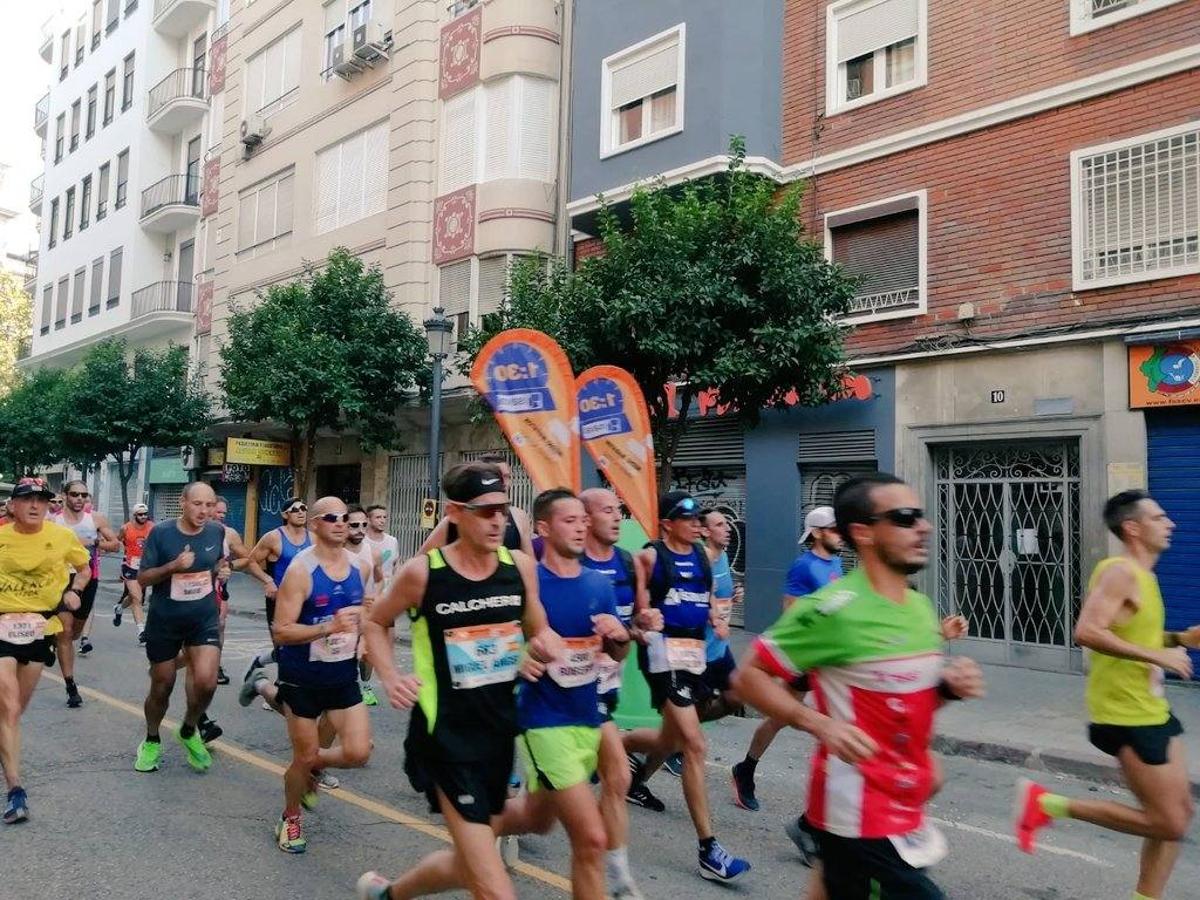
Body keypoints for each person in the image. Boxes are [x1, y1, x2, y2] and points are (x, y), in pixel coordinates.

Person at [734, 474, 985, 900]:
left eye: (920, 516)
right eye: (905, 518)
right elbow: (747, 677)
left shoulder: (920, 608)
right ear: (863, 533)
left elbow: (902, 703)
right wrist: (817, 723)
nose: (923, 527)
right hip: (856, 809)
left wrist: (946, 690)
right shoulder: (833, 609)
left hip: (905, 802)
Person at [356, 462, 562, 900]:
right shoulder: (423, 573)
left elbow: (537, 628)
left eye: (503, 511)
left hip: (499, 732)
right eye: (485, 512)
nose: (497, 521)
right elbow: (375, 623)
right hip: (444, 737)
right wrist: (391, 678)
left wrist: (545, 646)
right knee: (494, 888)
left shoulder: (520, 567)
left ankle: (389, 894)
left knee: (469, 865)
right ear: (455, 512)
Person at [1015, 489, 1197, 900]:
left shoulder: (1145, 577)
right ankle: (1045, 804)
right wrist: (1158, 654)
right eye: (1159, 517)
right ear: (1133, 528)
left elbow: (1130, 633)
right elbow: (1088, 631)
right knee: (1168, 823)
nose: (1171, 524)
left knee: (1179, 814)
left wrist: (1180, 638)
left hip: (1150, 707)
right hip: (1123, 714)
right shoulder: (1121, 572)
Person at [491, 489, 631, 897]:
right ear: (543, 528)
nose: (581, 526)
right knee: (591, 839)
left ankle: (476, 827)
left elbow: (616, 650)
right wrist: (519, 657)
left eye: (583, 520)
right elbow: (494, 641)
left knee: (538, 819)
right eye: (570, 520)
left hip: (588, 717)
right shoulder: (528, 584)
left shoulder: (597, 584)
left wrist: (621, 637)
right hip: (543, 721)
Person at [620, 491, 751, 883]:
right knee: (694, 744)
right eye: (689, 518)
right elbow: (635, 608)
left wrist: (717, 617)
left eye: (699, 519)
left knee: (674, 736)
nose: (697, 525)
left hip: (695, 654)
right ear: (666, 524)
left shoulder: (701, 557)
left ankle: (617, 745)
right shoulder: (650, 556)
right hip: (662, 657)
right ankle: (709, 850)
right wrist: (643, 618)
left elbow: (706, 598)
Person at [270, 496, 373, 853]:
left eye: (346, 517)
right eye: (332, 517)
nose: (342, 523)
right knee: (303, 756)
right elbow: (281, 630)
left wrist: (364, 638)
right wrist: (328, 628)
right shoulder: (301, 570)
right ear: (314, 524)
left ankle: (312, 767)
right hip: (303, 677)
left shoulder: (361, 566)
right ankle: (291, 817)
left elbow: (365, 612)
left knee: (359, 752)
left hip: (342, 675)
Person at [734, 506, 843, 814]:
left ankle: (831, 807)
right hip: (807, 656)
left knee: (839, 723)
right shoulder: (803, 567)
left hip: (831, 658)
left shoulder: (836, 562)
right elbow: (791, 613)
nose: (841, 535)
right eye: (835, 529)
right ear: (819, 533)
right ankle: (746, 769)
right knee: (780, 718)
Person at [577, 488, 654, 899]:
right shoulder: (568, 565)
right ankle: (621, 879)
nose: (617, 517)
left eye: (619, 510)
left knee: (544, 806)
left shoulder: (627, 563)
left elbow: (635, 628)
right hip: (571, 689)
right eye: (607, 510)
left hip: (609, 685)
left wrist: (644, 623)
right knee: (619, 774)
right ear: (585, 519)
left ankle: (500, 825)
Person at [0, 477, 91, 823]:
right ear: (13, 506)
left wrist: (76, 590)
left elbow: (84, 567)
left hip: (40, 628)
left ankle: (6, 746)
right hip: (1, 625)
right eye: (27, 500)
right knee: (8, 707)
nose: (35, 506)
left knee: (14, 712)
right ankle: (15, 791)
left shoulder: (62, 537)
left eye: (41, 499)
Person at [133, 482, 230, 774]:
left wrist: (222, 570)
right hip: (165, 620)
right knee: (162, 685)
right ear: (184, 503)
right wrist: (173, 566)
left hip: (202, 618)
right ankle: (151, 739)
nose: (204, 511)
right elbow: (143, 578)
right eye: (198, 504)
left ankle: (189, 729)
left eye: (209, 505)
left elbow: (218, 562)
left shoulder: (216, 531)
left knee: (207, 682)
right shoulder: (161, 533)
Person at [51, 479, 118, 707]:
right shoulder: (52, 520)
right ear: (65, 495)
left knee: (76, 632)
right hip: (59, 579)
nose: (80, 499)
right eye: (75, 494)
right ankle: (71, 687)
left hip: (89, 577)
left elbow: (115, 544)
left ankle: (53, 638)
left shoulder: (95, 519)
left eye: (83, 495)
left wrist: (94, 542)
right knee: (66, 632)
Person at [243, 499, 313, 675]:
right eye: (295, 509)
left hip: (307, 599)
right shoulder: (273, 537)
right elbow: (249, 562)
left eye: (303, 508)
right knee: (283, 645)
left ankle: (261, 661)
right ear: (285, 514)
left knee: (306, 645)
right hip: (280, 600)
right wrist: (268, 580)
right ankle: (280, 688)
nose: (300, 512)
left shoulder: (314, 537)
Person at [418, 452, 534, 557]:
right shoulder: (456, 518)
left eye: (507, 476)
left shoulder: (519, 517)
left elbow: (530, 563)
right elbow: (420, 560)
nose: (504, 482)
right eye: (498, 476)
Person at [345, 506, 384, 705]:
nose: (360, 529)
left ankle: (366, 685)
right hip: (342, 613)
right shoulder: (336, 551)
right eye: (354, 525)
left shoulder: (373, 552)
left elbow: (379, 579)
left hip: (367, 613)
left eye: (363, 525)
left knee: (367, 653)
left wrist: (375, 595)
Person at [212, 496, 252, 685]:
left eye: (223, 513)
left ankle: (215, 665)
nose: (221, 516)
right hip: (192, 589)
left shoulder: (229, 534)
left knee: (220, 624)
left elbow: (247, 558)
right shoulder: (192, 530)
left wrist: (229, 565)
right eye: (218, 511)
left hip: (219, 589)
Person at [113, 503, 154, 643]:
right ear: (135, 515)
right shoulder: (126, 528)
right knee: (137, 597)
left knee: (132, 596)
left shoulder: (152, 527)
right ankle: (141, 631)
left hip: (145, 566)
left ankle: (119, 608)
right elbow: (116, 541)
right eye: (140, 514)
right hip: (130, 566)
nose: (143, 517)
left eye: (145, 514)